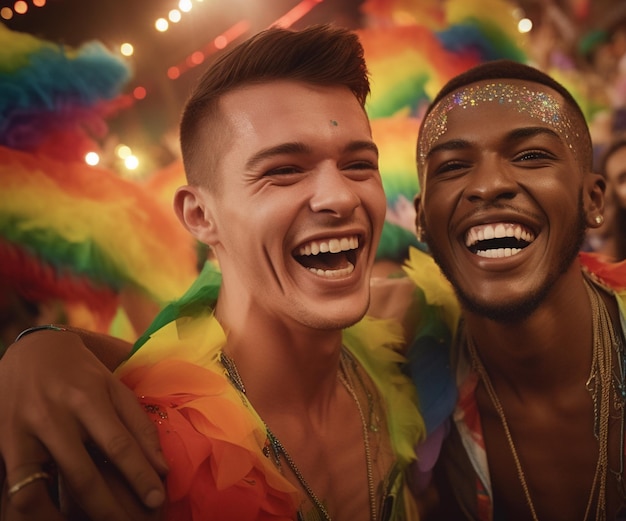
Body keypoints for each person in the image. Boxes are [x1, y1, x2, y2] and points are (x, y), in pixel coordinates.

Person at [0, 24, 426, 521]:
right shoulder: (140, 447)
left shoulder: (404, 348)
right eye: (283, 170)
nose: (341, 196)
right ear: (200, 216)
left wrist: (41, 343)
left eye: (358, 164)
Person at [411, 60, 626, 520]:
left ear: (593, 200)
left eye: (531, 156)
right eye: (452, 166)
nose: (488, 186)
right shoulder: (406, 396)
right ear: (421, 220)